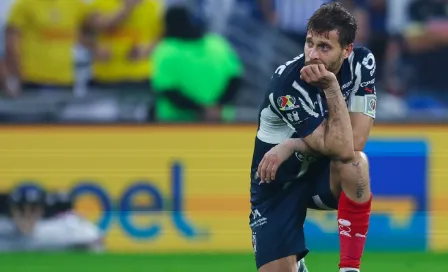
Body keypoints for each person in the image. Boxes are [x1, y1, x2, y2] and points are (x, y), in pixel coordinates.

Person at [249, 3, 376, 272]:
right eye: (309, 43)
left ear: (347, 49)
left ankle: (349, 268)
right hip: (277, 185)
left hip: (321, 175)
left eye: (324, 47)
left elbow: (351, 146)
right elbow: (338, 145)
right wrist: (332, 86)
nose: (312, 54)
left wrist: (293, 143)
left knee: (356, 163)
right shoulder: (286, 85)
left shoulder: (363, 63)